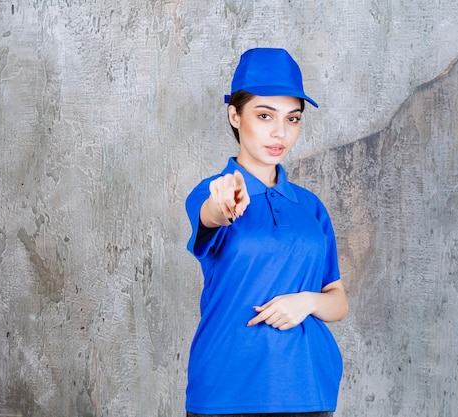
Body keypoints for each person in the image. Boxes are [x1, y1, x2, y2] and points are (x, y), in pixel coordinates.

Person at [185, 48, 348, 417]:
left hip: (307, 390)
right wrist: (224, 204)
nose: (280, 132)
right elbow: (212, 213)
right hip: (225, 391)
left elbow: (337, 298)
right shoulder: (214, 191)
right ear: (235, 116)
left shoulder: (310, 207)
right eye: (264, 115)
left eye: (293, 119)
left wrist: (306, 302)